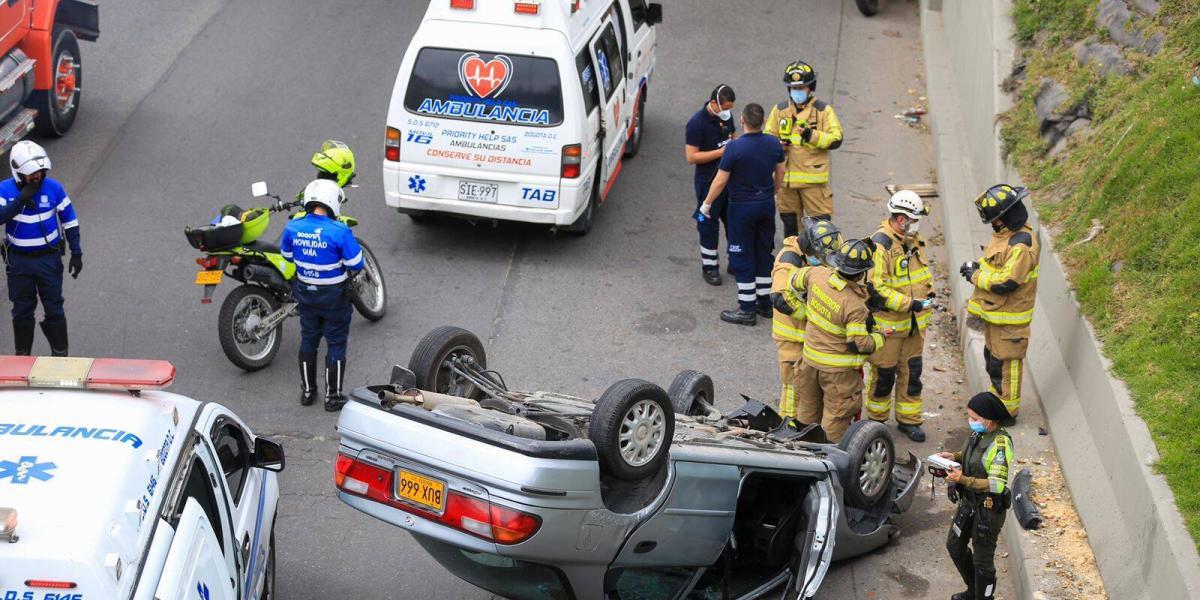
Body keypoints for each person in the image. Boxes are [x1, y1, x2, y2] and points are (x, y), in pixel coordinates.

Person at [789, 239, 886, 442]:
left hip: (809, 364)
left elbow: (794, 282)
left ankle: (801, 456)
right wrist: (879, 337)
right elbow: (857, 344)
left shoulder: (817, 274)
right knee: (835, 422)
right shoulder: (854, 305)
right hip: (838, 375)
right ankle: (827, 463)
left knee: (806, 413)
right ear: (861, 273)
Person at [281, 179, 364, 412]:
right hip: (335, 298)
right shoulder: (339, 231)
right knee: (336, 342)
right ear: (332, 203)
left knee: (308, 339)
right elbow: (356, 263)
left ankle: (308, 392)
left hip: (306, 295)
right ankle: (333, 396)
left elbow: (287, 256)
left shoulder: (293, 228)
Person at [700, 103, 785, 325]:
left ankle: (747, 308)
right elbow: (781, 171)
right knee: (763, 252)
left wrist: (707, 204)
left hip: (742, 208)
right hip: (766, 205)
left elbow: (720, 180)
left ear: (742, 120)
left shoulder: (735, 148)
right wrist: (774, 193)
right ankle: (765, 303)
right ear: (764, 120)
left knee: (742, 255)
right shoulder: (773, 143)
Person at [960, 184, 1040, 417]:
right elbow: (995, 264)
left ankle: (1007, 411)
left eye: (995, 220)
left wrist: (975, 276)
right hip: (996, 316)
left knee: (1007, 365)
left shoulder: (1022, 244)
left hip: (1010, 320)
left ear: (1006, 217)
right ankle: (998, 399)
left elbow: (1007, 282)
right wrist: (977, 266)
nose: (993, 224)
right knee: (993, 360)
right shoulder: (1006, 237)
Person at [0, 141, 82, 356]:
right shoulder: (4, 189)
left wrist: (77, 252)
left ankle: (60, 355)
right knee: (22, 310)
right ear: (18, 173)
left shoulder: (54, 188)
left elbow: (70, 221)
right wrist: (20, 200)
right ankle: (22, 356)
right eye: (32, 174)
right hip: (19, 263)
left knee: (54, 307)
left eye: (41, 173)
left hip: (48, 260)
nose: (37, 178)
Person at [865, 190, 935, 441]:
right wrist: (909, 304)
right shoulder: (879, 244)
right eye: (914, 219)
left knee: (912, 373)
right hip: (890, 325)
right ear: (902, 219)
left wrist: (927, 297)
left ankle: (909, 420)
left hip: (914, 324)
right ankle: (876, 422)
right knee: (883, 375)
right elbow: (876, 289)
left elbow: (921, 275)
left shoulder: (912, 240)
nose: (917, 225)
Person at [939, 391, 1016, 600]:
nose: (970, 421)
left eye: (974, 418)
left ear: (989, 420)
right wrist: (952, 457)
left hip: (988, 511)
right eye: (969, 417)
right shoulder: (978, 434)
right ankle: (973, 591)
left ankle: (984, 597)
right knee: (954, 546)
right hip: (969, 504)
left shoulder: (1000, 445)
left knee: (982, 561)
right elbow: (971, 456)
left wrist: (961, 479)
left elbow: (997, 485)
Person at [770, 217, 842, 418]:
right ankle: (788, 428)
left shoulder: (819, 245)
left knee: (809, 386)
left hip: (807, 336)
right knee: (794, 388)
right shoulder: (789, 261)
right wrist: (813, 315)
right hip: (792, 337)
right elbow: (780, 298)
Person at [764, 60, 843, 238]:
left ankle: (820, 265)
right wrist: (778, 144)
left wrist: (811, 135)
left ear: (811, 88)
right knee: (791, 230)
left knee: (822, 231)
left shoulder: (823, 111)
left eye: (802, 88)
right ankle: (793, 264)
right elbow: (767, 138)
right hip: (787, 183)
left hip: (814, 184)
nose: (797, 92)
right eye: (793, 88)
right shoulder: (779, 110)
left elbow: (836, 139)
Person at [685, 85, 737, 286]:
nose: (727, 112)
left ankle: (735, 262)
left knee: (734, 223)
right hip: (708, 182)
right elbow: (691, 156)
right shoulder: (697, 123)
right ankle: (710, 267)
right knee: (707, 225)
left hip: (729, 181)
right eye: (724, 107)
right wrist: (721, 153)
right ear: (714, 103)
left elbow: (732, 137)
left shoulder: (726, 116)